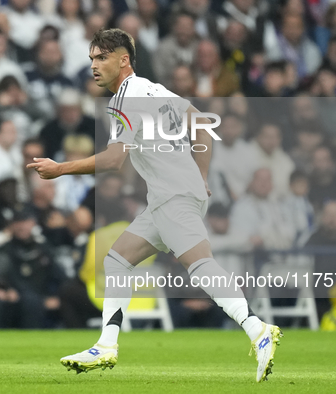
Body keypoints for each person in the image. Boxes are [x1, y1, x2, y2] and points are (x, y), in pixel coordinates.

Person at [27, 28, 281, 382]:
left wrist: (60, 169)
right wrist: (201, 177)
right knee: (117, 260)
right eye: (91, 59)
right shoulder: (156, 90)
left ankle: (257, 329)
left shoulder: (124, 100)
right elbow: (203, 128)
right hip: (170, 195)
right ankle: (106, 345)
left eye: (101, 58)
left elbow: (116, 159)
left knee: (201, 267)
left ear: (123, 59)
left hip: (173, 196)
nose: (94, 66)